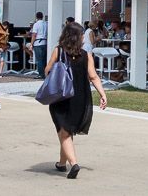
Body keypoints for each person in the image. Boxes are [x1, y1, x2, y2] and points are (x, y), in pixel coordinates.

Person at [46, 20, 108, 179]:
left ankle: (73, 163)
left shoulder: (58, 51)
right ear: (77, 37)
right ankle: (61, 163)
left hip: (61, 97)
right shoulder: (86, 55)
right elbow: (93, 77)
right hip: (80, 97)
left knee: (64, 131)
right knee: (66, 130)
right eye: (81, 35)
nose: (83, 38)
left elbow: (47, 71)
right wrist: (103, 94)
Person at [30, 11, 48, 78]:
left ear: (36, 17)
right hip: (45, 42)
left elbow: (34, 35)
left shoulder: (36, 24)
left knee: (39, 60)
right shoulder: (46, 23)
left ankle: (41, 74)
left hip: (38, 43)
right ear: (42, 16)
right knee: (44, 59)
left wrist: (31, 44)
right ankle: (45, 73)